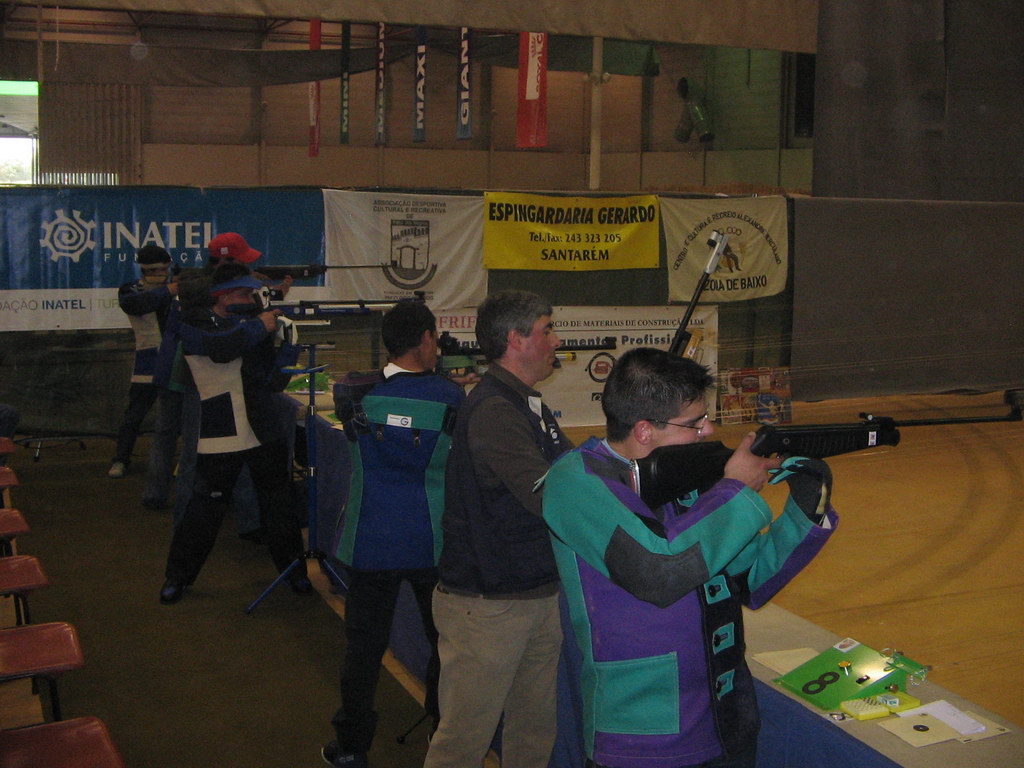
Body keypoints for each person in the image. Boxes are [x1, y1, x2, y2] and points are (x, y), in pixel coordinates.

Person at [542, 347, 839, 768]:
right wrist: (734, 490)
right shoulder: (576, 483)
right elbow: (658, 572)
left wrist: (806, 509)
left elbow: (750, 579)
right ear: (644, 430)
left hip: (726, 718)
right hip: (643, 732)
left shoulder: (688, 477)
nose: (708, 429)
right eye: (695, 422)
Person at [423, 290, 572, 768]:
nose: (556, 340)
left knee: (533, 732)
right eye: (547, 329)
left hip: (533, 592)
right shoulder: (495, 410)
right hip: (488, 607)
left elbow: (571, 470)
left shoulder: (525, 404)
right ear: (516, 339)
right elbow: (550, 494)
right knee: (463, 742)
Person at [321, 301, 466, 768]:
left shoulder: (353, 392)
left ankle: (351, 747)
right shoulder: (452, 397)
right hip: (431, 540)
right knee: (444, 646)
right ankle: (442, 737)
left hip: (370, 539)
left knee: (363, 651)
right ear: (426, 339)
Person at [159, 261, 309, 604]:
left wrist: (287, 346)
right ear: (223, 295)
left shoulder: (252, 322)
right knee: (205, 508)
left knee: (279, 505)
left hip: (263, 424)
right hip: (221, 426)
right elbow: (219, 347)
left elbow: (272, 381)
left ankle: (294, 572)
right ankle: (178, 576)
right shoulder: (192, 321)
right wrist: (260, 326)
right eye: (244, 293)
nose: (251, 299)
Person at [108, 245, 179, 481]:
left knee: (179, 414)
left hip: (176, 358)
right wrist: (169, 290)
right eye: (157, 270)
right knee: (134, 415)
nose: (162, 274)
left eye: (165, 269)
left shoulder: (176, 288)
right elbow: (137, 304)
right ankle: (121, 458)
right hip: (148, 359)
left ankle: (181, 460)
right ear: (145, 270)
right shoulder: (131, 290)